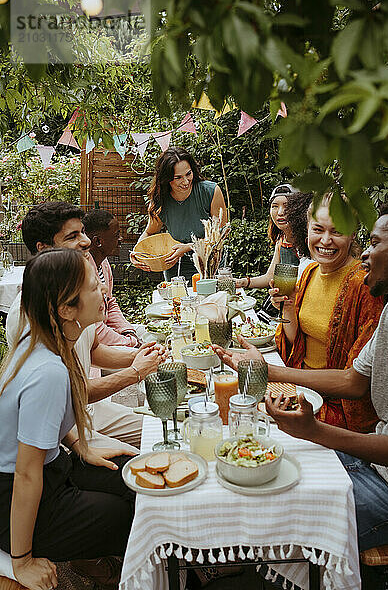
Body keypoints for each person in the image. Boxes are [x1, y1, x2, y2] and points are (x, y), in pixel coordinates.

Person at [214, 197, 388, 554]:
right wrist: (269, 369)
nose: (365, 255)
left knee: (281, 512)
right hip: (373, 460)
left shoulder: (370, 292)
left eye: (375, 244)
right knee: (264, 467)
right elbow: (352, 380)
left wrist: (316, 431)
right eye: (318, 229)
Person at [0, 249, 137, 590]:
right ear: (65, 309)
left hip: (54, 468)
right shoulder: (47, 371)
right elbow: (26, 473)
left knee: (135, 482)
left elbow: (46, 426)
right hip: (17, 497)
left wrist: (80, 446)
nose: (104, 291)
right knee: (125, 515)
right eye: (94, 286)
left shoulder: (48, 339)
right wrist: (22, 562)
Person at [6, 201, 167, 450]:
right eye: (73, 236)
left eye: (83, 231)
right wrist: (136, 371)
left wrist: (140, 355)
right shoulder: (29, 312)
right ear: (44, 248)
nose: (86, 241)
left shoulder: (79, 288)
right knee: (142, 456)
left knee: (163, 429)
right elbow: (68, 392)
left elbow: (93, 350)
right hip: (62, 429)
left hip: (90, 409)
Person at [269, 194, 383, 432]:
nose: (325, 240)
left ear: (353, 234)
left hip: (336, 412)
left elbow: (356, 380)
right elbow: (296, 342)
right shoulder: (310, 271)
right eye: (318, 229)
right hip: (300, 394)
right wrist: (288, 308)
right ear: (307, 229)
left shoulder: (364, 285)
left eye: (337, 231)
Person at [131, 146, 227, 281]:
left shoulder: (211, 192)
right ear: (166, 179)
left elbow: (220, 236)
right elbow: (149, 233)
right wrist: (137, 253)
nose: (186, 181)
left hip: (210, 263)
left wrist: (188, 247)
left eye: (188, 174)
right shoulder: (160, 202)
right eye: (178, 177)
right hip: (176, 268)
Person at [83, 209, 145, 347]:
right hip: (95, 346)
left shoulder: (104, 263)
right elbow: (96, 330)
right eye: (117, 235)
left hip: (108, 332)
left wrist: (127, 331)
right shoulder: (83, 274)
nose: (121, 240)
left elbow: (109, 303)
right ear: (98, 241)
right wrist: (130, 342)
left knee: (149, 334)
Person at [235, 183, 300, 291]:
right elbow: (270, 276)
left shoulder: (308, 241)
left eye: (287, 206)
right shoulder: (281, 240)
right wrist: (243, 282)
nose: (280, 212)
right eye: (274, 206)